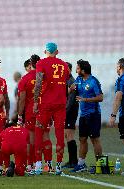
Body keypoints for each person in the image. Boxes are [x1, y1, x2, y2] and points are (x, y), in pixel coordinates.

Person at [33, 42, 69, 175]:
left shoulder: (41, 63)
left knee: (39, 131)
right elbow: (66, 82)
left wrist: (36, 101)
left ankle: (37, 166)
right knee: (59, 134)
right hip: (60, 104)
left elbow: (38, 83)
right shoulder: (64, 65)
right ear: (57, 52)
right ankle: (58, 166)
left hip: (46, 103)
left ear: (45, 51)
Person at [71, 59, 103, 173]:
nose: (76, 70)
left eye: (78, 68)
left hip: (93, 114)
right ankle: (81, 164)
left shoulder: (93, 81)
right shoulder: (79, 80)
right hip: (83, 115)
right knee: (82, 139)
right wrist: (69, 90)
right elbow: (71, 89)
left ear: (83, 70)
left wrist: (85, 99)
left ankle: (100, 165)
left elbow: (100, 97)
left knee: (95, 139)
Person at [17, 54, 43, 172]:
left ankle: (29, 164)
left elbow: (22, 99)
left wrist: (19, 114)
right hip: (44, 110)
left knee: (31, 139)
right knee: (44, 137)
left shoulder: (24, 79)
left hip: (30, 111)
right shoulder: (43, 77)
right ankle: (45, 163)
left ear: (30, 64)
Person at [62, 62, 79, 169]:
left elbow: (71, 101)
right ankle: (72, 160)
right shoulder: (67, 81)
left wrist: (64, 112)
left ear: (69, 69)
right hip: (69, 111)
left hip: (70, 111)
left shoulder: (71, 81)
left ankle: (74, 161)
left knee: (70, 135)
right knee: (68, 135)